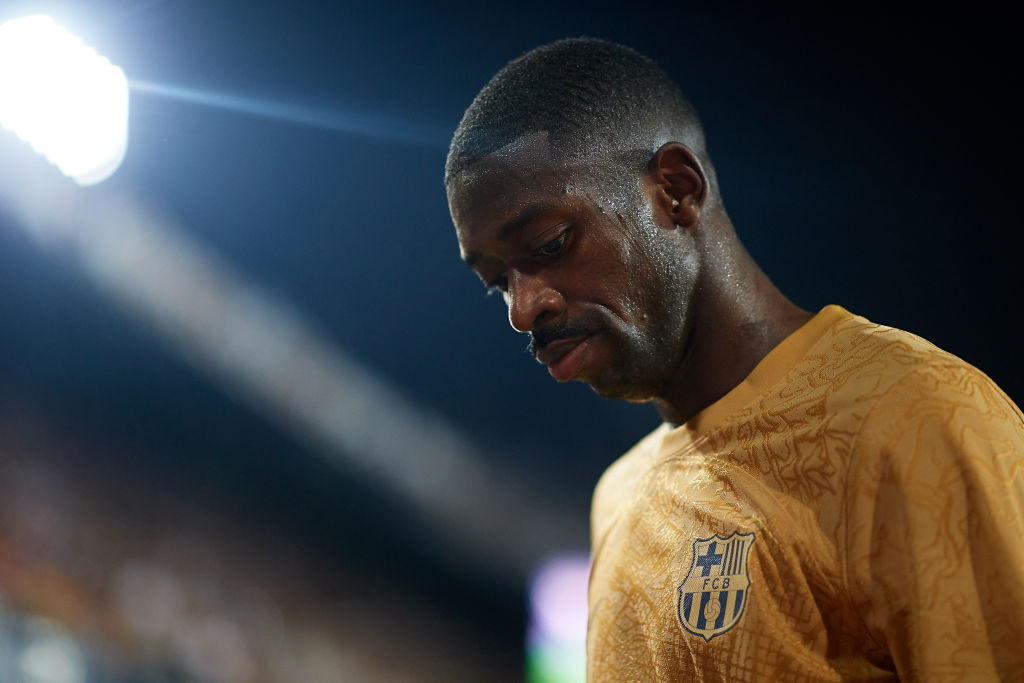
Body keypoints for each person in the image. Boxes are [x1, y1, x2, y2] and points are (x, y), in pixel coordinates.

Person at [444, 38, 1024, 682]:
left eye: (550, 245)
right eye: (498, 283)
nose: (522, 310)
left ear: (675, 189)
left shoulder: (916, 418)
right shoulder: (618, 498)